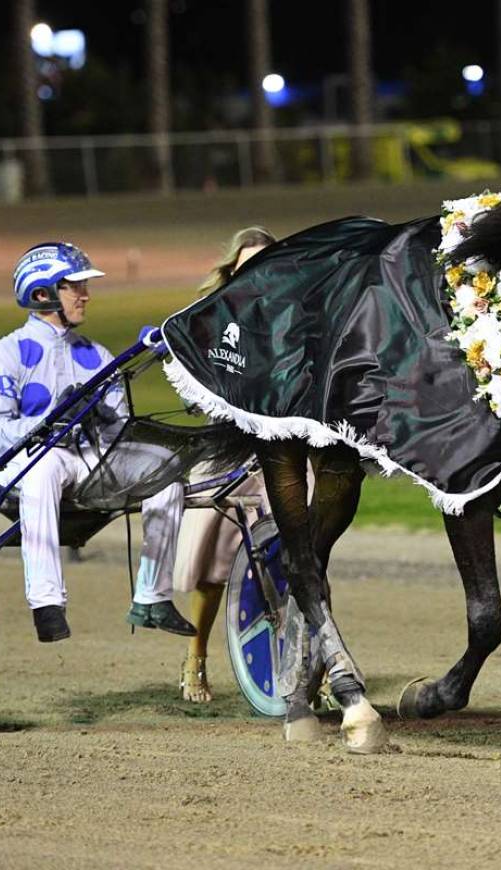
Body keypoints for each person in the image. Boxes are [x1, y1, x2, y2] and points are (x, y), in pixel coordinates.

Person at [0, 241, 196, 642]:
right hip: (26, 466)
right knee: (46, 465)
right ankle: (46, 603)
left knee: (165, 471)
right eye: (73, 287)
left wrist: (106, 420)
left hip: (84, 462)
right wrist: (44, 424)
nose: (85, 295)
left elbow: (119, 429)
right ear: (42, 294)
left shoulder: (97, 355)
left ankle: (152, 595)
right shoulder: (2, 356)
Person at [176, 227, 276, 701]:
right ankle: (195, 656)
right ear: (232, 271)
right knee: (215, 570)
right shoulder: (213, 321)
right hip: (227, 451)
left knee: (305, 564)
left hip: (280, 453)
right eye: (247, 265)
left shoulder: (290, 319)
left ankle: (314, 671)